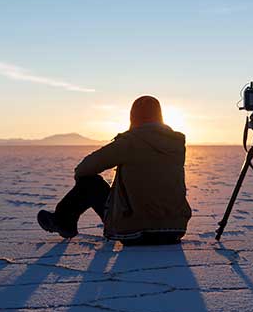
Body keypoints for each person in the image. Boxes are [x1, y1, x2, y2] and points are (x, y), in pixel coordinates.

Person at [37, 95, 192, 245]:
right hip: (174, 230)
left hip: (135, 231)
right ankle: (64, 221)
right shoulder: (176, 145)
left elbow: (85, 168)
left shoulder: (130, 142)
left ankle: (63, 222)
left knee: (90, 183)